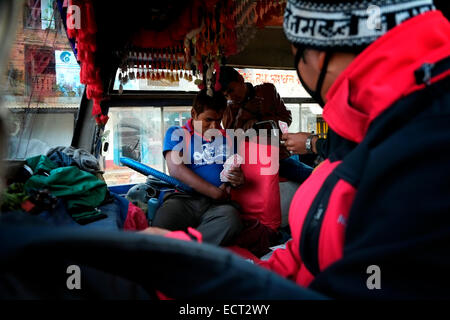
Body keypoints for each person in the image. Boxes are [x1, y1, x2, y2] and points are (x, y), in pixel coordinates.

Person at [257, 0, 450, 299]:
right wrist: (205, 274)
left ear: (319, 57)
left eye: (294, 54)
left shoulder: (425, 149)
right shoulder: (362, 120)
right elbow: (309, 248)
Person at [151, 89, 244, 246]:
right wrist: (214, 192)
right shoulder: (177, 133)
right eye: (208, 120)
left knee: (231, 219)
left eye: (219, 120)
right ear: (194, 114)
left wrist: (237, 179)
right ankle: (192, 251)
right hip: (183, 200)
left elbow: (233, 168)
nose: (214, 126)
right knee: (163, 222)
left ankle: (189, 252)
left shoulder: (228, 138)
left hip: (217, 207)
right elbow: (176, 170)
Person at [218, 66, 313, 184]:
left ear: (241, 79)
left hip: (277, 156)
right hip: (248, 160)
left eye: (232, 90)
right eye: (226, 95)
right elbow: (232, 139)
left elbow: (286, 119)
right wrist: (243, 116)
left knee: (313, 176)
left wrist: (258, 123)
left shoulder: (267, 92)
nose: (231, 97)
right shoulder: (229, 110)